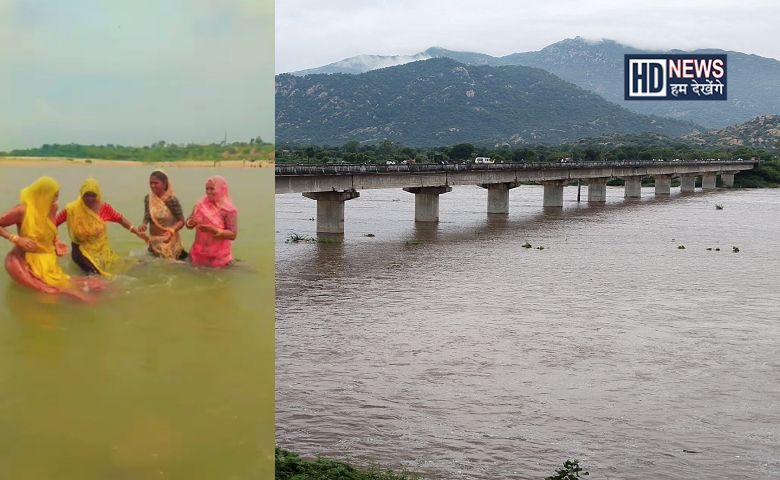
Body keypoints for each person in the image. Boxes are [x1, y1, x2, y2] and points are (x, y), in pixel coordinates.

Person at [0, 177, 102, 301]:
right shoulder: (22, 210)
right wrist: (15, 238)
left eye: (57, 196)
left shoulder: (52, 208)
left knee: (97, 285)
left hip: (47, 259)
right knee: (54, 294)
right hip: (24, 260)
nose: (56, 199)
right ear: (43, 194)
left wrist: (56, 242)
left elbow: (50, 228)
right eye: (53, 196)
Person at [55, 178, 148, 276]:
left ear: (98, 195)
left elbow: (120, 219)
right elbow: (54, 223)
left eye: (93, 195)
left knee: (121, 267)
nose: (89, 199)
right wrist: (56, 242)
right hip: (80, 249)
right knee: (96, 274)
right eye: (86, 195)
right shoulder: (72, 209)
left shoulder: (104, 207)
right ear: (81, 194)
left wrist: (137, 232)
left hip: (101, 248)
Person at [186, 176, 238, 268]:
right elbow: (188, 224)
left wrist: (214, 230)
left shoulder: (228, 210)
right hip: (197, 254)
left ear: (221, 189)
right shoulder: (200, 204)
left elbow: (233, 234)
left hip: (218, 257)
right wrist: (191, 222)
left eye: (212, 189)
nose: (208, 192)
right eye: (207, 189)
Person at [137, 170, 186, 260]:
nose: (153, 186)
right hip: (154, 241)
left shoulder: (171, 200)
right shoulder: (148, 198)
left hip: (169, 242)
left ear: (164, 184)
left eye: (156, 183)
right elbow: (147, 215)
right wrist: (144, 224)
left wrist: (172, 230)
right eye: (151, 183)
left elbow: (182, 221)